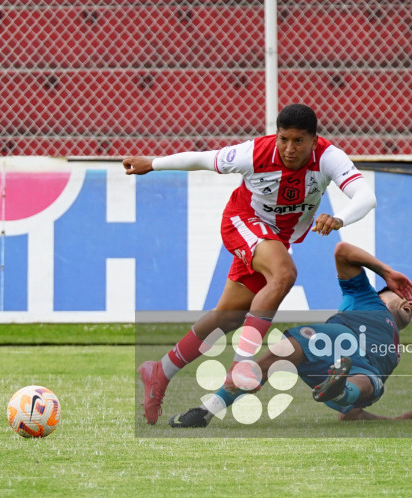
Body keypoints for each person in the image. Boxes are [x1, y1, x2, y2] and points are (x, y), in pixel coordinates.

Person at [123, 104, 377, 424]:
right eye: (283, 139)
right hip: (243, 222)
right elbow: (203, 158)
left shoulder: (328, 157)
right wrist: (153, 164)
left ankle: (160, 370)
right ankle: (242, 363)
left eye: (298, 141)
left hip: (274, 239)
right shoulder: (254, 153)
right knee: (284, 273)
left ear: (314, 140)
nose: (289, 148)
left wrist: (340, 218)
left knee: (227, 318)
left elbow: (366, 197)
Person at [167, 241, 412, 427]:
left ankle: (339, 389)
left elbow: (351, 415)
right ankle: (204, 411)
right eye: (402, 298)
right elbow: (343, 251)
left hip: (359, 374)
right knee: (279, 354)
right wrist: (387, 272)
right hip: (337, 342)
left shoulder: (394, 353)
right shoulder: (363, 298)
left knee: (367, 386)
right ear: (382, 294)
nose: (411, 303)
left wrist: (393, 420)